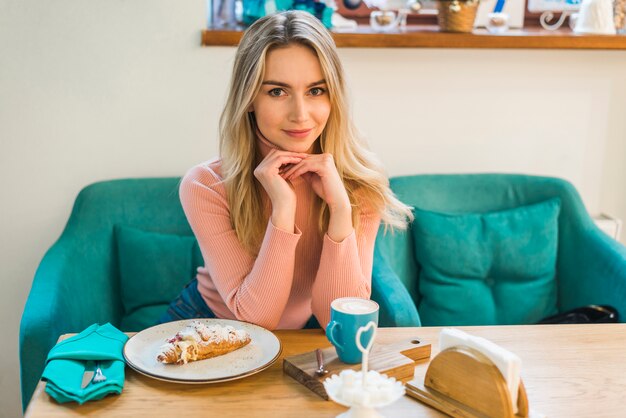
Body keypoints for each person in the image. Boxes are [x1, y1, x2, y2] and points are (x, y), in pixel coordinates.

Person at [159, 10, 412, 330]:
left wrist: (339, 208)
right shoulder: (207, 185)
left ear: (334, 96)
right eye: (277, 91)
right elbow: (254, 317)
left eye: (316, 91)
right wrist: (283, 209)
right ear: (249, 98)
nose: (301, 114)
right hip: (208, 322)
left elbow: (338, 318)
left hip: (299, 332)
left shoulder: (359, 184)